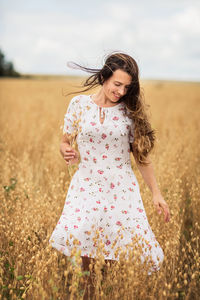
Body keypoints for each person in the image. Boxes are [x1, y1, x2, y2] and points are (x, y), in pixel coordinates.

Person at [49, 52, 170, 278]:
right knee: (84, 253)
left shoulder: (129, 112)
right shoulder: (79, 105)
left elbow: (141, 157)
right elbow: (65, 141)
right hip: (85, 186)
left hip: (120, 191)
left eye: (126, 87)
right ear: (105, 76)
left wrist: (156, 193)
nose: (121, 92)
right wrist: (66, 150)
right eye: (117, 84)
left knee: (114, 255)